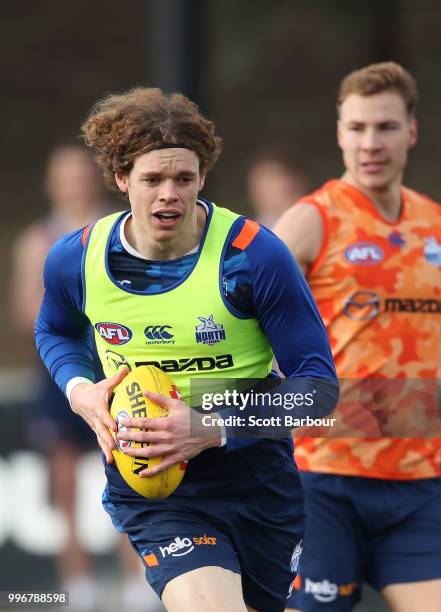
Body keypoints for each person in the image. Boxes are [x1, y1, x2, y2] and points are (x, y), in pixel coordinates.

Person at [35, 87, 337, 612]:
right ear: (122, 179)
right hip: (157, 491)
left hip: (257, 482)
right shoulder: (77, 259)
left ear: (203, 178)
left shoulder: (253, 257)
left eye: (184, 178)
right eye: (152, 179)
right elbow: (55, 332)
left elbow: (317, 390)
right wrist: (79, 388)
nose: (168, 194)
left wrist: (212, 426)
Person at [273, 62, 441, 612]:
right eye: (358, 127)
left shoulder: (434, 225)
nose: (372, 143)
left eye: (386, 127)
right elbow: (239, 312)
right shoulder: (311, 221)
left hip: (419, 484)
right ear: (340, 133)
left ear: (411, 131)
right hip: (323, 481)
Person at [11, 145, 158, 612]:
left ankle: (138, 580)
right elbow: (24, 312)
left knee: (128, 469)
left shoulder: (118, 232)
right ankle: (76, 586)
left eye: (80, 174)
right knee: (64, 483)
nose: (74, 183)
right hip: (63, 379)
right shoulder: (36, 241)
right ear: (52, 184)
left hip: (117, 372)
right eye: (65, 176)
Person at [247, 145, 309, 228]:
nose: (263, 188)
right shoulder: (243, 230)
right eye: (259, 178)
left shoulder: (312, 222)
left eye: (271, 177)